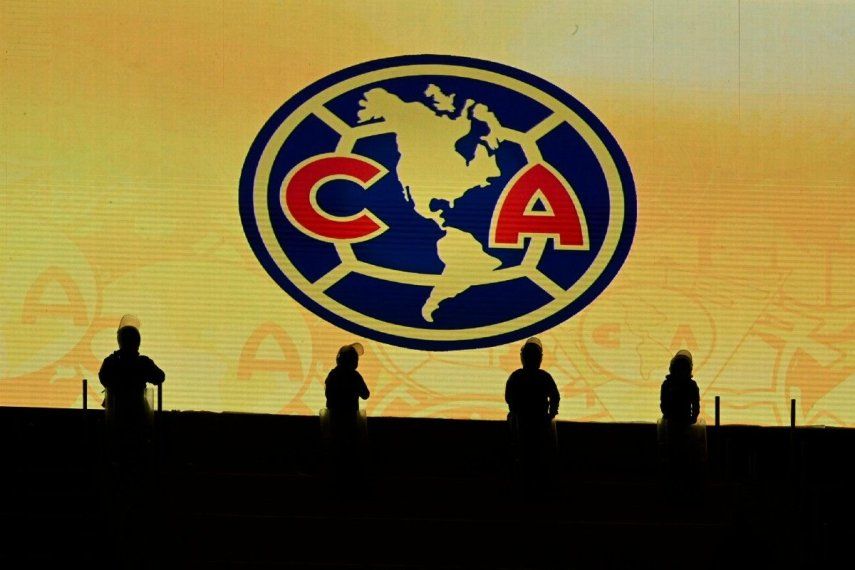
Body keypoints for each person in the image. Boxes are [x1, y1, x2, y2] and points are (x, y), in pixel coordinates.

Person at [99, 323, 165, 465]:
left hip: (117, 413)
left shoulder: (111, 362)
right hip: (138, 412)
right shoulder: (143, 362)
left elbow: (103, 378)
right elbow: (160, 377)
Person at [505, 337, 560, 495]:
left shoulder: (516, 376)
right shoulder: (544, 377)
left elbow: (509, 397)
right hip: (536, 422)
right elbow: (555, 397)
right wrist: (551, 414)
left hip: (526, 421)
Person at [659, 349, 700, 425]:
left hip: (670, 423)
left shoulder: (667, 384)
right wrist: (692, 419)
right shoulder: (692, 385)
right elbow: (696, 407)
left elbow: (663, 405)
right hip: (684, 422)